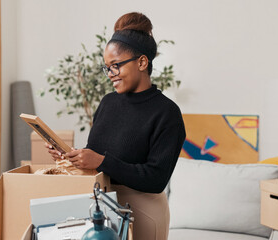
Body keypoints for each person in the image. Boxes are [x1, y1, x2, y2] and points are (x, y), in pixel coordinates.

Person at [45, 12, 186, 240]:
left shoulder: (167, 113)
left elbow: (156, 178)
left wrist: (101, 161)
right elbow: (97, 152)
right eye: (107, 67)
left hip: (144, 213)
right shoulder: (108, 102)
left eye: (116, 66)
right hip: (103, 207)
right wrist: (71, 156)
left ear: (142, 62)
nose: (110, 74)